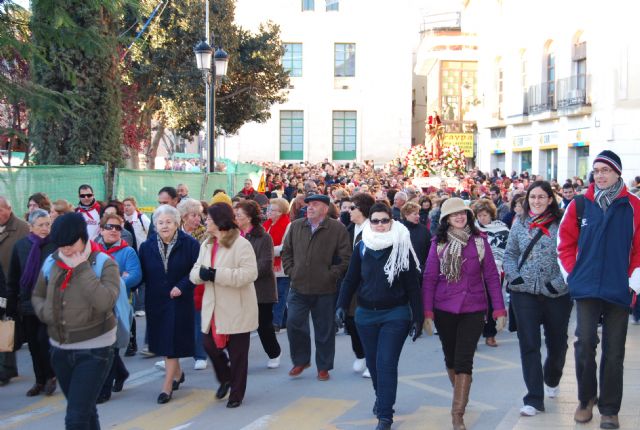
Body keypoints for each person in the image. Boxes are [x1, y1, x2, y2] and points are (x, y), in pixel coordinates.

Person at [557, 150, 640, 429]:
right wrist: (572, 276)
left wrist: (633, 282)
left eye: (606, 170)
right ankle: (585, 399)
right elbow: (564, 244)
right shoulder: (580, 205)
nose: (600, 175)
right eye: (597, 171)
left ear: (617, 173)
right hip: (587, 287)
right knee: (584, 344)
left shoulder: (633, 206)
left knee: (615, 352)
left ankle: (609, 408)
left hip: (619, 287)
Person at [337, 203, 423, 430]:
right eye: (375, 221)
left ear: (392, 221)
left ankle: (385, 416)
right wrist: (341, 306)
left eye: (385, 220)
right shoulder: (362, 247)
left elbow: (413, 287)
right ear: (370, 222)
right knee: (374, 365)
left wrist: (418, 317)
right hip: (365, 316)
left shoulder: (401, 246)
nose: (380, 225)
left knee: (386, 364)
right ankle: (381, 398)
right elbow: (350, 280)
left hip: (395, 314)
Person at [422, 197, 506, 430]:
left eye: (463, 213)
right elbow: (429, 279)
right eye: (454, 214)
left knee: (463, 360)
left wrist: (499, 309)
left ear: (468, 216)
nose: (459, 217)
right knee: (450, 357)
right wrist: (427, 312)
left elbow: (490, 276)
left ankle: (457, 413)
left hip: (473, 307)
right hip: (444, 308)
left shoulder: (480, 242)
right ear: (446, 219)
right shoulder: (437, 244)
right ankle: (460, 393)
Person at [31, 213, 120, 429]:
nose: (66, 250)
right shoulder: (52, 261)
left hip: (95, 350)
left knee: (75, 418)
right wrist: (49, 315)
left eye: (70, 244)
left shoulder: (103, 263)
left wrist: (81, 269)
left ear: (84, 237)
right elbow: (37, 295)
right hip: (60, 349)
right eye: (61, 246)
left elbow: (105, 301)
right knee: (85, 410)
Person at [503, 180, 571, 417]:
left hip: (556, 294)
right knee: (529, 344)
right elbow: (510, 254)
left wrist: (559, 283)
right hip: (525, 294)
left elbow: (572, 256)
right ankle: (533, 398)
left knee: (557, 343)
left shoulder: (563, 223)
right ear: (527, 199)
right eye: (533, 197)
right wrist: (515, 278)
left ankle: (552, 376)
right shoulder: (520, 224)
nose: (537, 201)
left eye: (542, 197)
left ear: (550, 199)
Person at [189, 203, 258, 408]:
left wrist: (216, 274)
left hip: (237, 306)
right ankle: (226, 378)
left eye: (208, 218)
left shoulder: (241, 243)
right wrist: (199, 275)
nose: (205, 221)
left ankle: (237, 393)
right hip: (213, 307)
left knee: (238, 355)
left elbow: (249, 274)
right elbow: (195, 270)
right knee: (209, 345)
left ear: (219, 220)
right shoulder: (207, 243)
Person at [281, 194, 351, 381]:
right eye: (308, 204)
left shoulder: (337, 228)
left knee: (324, 329)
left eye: (315, 204)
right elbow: (286, 251)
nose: (309, 207)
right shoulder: (296, 226)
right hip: (298, 286)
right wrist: (291, 271)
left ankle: (324, 366)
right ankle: (301, 361)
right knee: (294, 323)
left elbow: (345, 258)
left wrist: (331, 275)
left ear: (325, 209)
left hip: (325, 289)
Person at [139, 204, 200, 404]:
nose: (164, 226)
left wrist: (182, 286)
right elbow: (142, 275)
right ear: (155, 225)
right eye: (160, 222)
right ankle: (178, 373)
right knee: (165, 340)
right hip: (156, 300)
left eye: (169, 222)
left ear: (177, 223)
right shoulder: (146, 247)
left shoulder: (190, 244)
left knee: (171, 341)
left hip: (180, 299)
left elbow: (196, 271)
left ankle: (166, 386)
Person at [5, 209, 57, 396]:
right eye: (40, 225)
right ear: (31, 227)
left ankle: (51, 376)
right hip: (27, 304)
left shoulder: (56, 246)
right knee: (34, 345)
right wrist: (11, 306)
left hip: (50, 303)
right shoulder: (21, 246)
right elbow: (13, 277)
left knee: (44, 341)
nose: (45, 228)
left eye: (47, 224)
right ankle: (39, 381)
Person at [94, 213, 142, 403]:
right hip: (97, 303)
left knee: (109, 347)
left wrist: (112, 282)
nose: (114, 230)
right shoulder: (92, 250)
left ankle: (104, 390)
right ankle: (120, 373)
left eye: (117, 228)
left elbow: (135, 275)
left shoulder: (127, 251)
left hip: (119, 303)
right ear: (101, 229)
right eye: (109, 227)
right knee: (105, 346)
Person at [234, 200, 281, 368]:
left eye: (239, 215)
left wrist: (244, 274)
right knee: (239, 326)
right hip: (238, 287)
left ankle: (274, 353)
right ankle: (238, 358)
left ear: (249, 217)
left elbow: (265, 265)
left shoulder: (263, 237)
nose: (236, 218)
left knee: (263, 325)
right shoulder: (235, 236)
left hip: (260, 289)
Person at [344, 193, 376, 378]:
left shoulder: (373, 230)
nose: (349, 211)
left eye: (352, 208)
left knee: (368, 324)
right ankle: (360, 354)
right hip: (350, 283)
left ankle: (371, 362)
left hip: (369, 284)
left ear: (362, 209)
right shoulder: (348, 229)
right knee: (351, 321)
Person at [471, 198, 510, 347]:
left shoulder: (502, 229)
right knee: (476, 303)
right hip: (475, 271)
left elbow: (507, 250)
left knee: (493, 301)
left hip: (495, 270)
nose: (482, 218)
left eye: (485, 215)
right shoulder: (472, 229)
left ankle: (490, 334)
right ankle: (473, 337)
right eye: (479, 215)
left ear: (491, 214)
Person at [0, 196, 29, 386]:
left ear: (8, 209)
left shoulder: (22, 228)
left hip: (11, 285)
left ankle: (6, 370)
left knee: (5, 326)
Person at [176, 198, 208, 370]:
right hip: (178, 280)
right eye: (193, 215)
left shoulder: (204, 234)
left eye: (199, 215)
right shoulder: (175, 232)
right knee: (179, 319)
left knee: (198, 319)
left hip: (197, 281)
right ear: (183, 216)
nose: (198, 219)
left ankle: (200, 354)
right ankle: (173, 354)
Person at [264, 198, 291, 332]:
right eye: (268, 209)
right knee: (276, 296)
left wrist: (267, 250)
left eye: (272, 210)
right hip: (269, 266)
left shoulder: (288, 225)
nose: (268, 212)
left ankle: (275, 323)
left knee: (280, 295)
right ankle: (285, 320)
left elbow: (285, 247)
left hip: (282, 267)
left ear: (280, 212)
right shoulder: (267, 225)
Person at [400, 201, 431, 276]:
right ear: (406, 215)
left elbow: (429, 251)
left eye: (418, 213)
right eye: (415, 214)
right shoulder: (399, 229)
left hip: (420, 272)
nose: (418, 216)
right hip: (403, 273)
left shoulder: (424, 230)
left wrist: (424, 268)